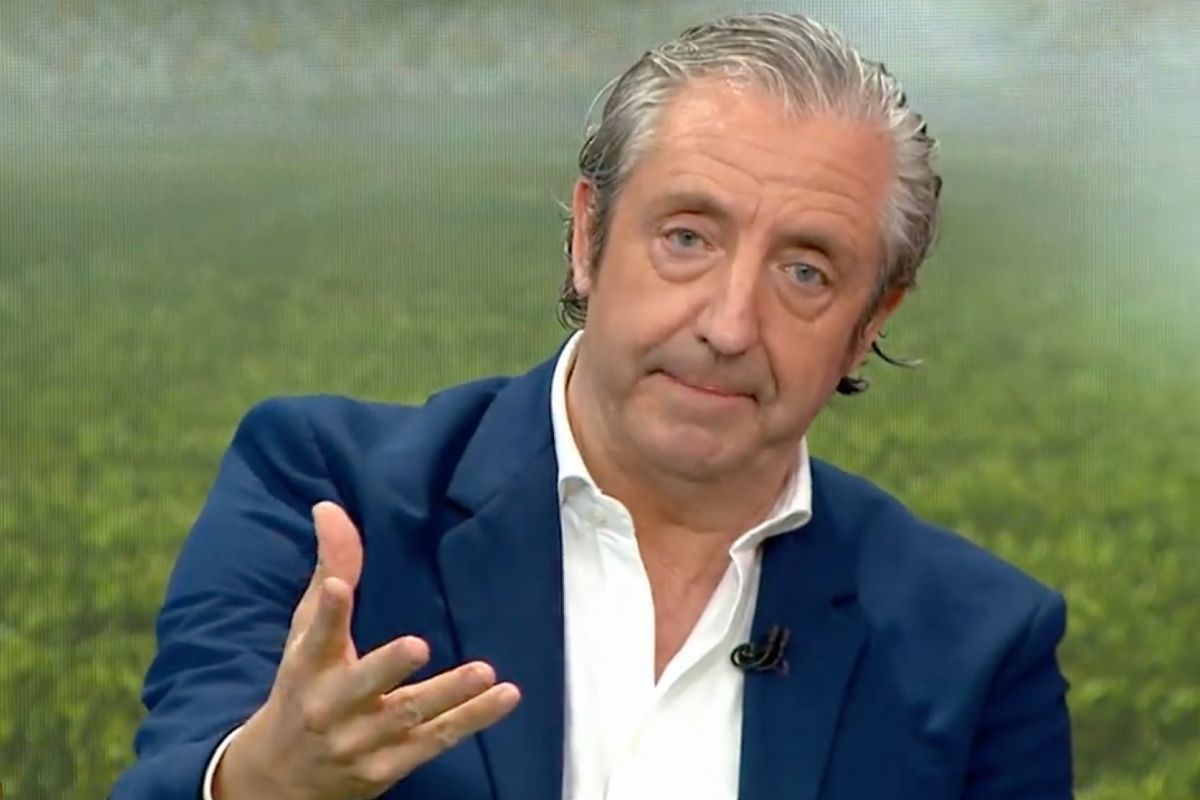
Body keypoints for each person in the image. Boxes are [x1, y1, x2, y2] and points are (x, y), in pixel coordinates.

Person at [110, 12, 1073, 800]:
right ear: (588, 236)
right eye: (688, 238)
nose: (729, 325)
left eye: (806, 271)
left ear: (869, 323)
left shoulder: (980, 645)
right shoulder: (324, 490)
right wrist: (262, 784)